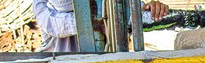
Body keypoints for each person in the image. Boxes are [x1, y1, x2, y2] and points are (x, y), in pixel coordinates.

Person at [33, 0, 169, 52]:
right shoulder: (45, 5)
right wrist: (98, 21)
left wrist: (156, 9)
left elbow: (139, 14)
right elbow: (53, 24)